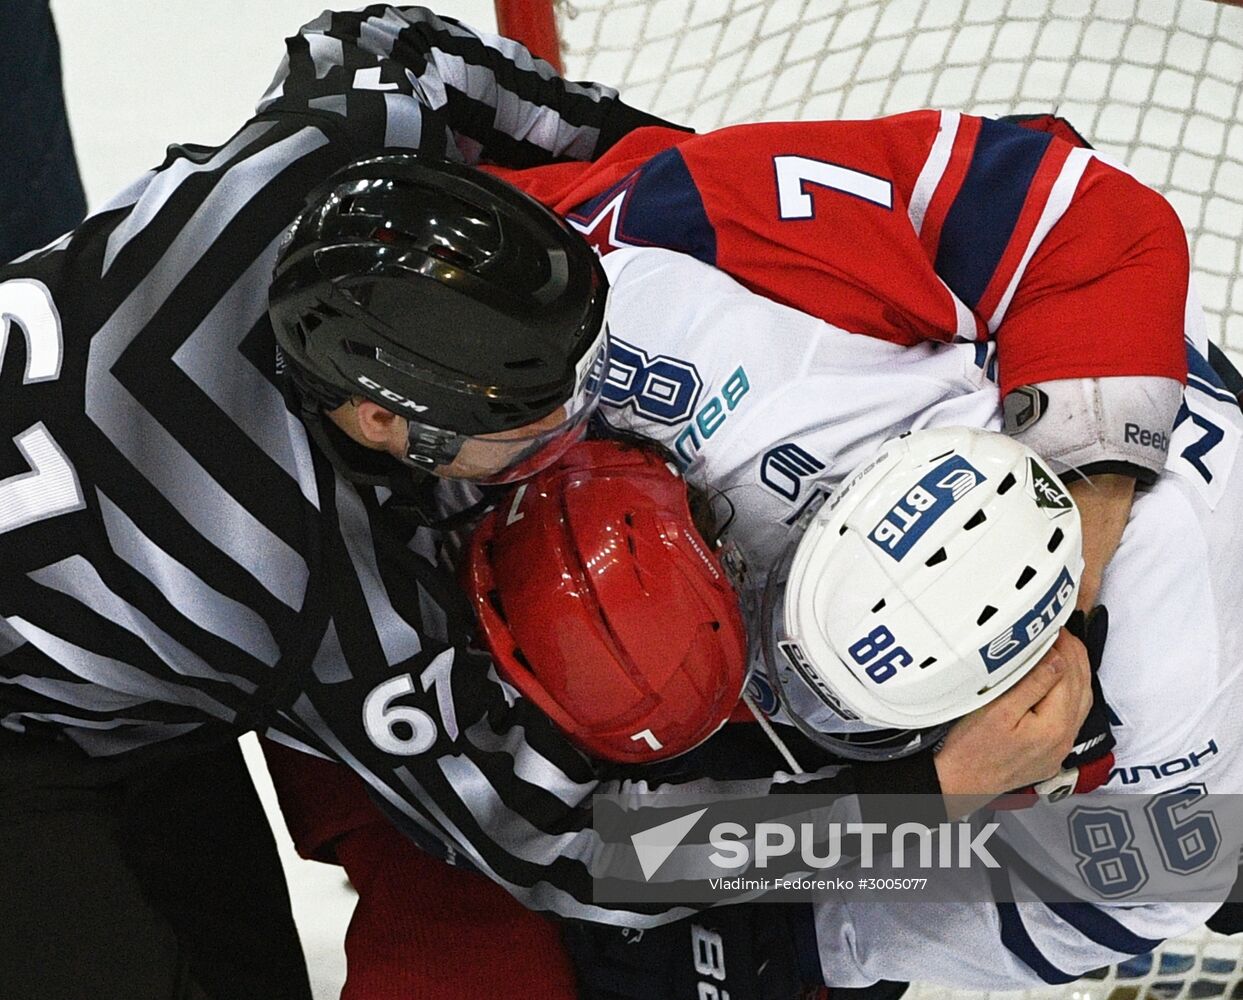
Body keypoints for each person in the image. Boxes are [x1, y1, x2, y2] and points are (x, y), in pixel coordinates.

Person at [0, 9, 1092, 998]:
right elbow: (585, 844)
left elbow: (402, 46)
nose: (582, 431)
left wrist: (709, 197)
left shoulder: (341, 142)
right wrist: (928, 798)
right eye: (529, 425)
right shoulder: (312, 578)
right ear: (384, 422)